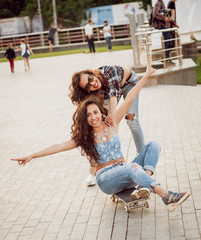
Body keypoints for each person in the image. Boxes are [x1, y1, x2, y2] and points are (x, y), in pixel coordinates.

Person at [11, 60, 190, 212]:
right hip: (107, 179)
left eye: (95, 113)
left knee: (153, 145)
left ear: (100, 111)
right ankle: (166, 195)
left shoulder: (112, 122)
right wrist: (32, 155)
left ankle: (144, 185)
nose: (93, 117)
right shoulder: (85, 136)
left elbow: (130, 97)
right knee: (132, 167)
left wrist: (146, 75)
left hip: (126, 172)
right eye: (88, 115)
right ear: (84, 119)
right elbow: (58, 147)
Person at [69, 64, 145, 185]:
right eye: (88, 86)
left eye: (90, 79)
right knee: (98, 125)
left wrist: (111, 116)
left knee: (132, 120)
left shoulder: (109, 71)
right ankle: (93, 171)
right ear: (87, 90)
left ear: (91, 73)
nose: (93, 83)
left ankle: (142, 157)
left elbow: (113, 97)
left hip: (129, 84)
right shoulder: (96, 90)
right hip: (109, 92)